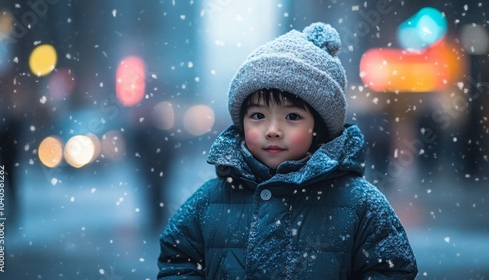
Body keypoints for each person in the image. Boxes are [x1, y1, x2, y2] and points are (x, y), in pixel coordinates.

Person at [157, 22, 418, 279]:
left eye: (292, 117)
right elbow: (178, 257)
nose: (272, 130)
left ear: (319, 128)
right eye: (258, 115)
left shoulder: (359, 203)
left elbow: (391, 267)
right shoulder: (212, 199)